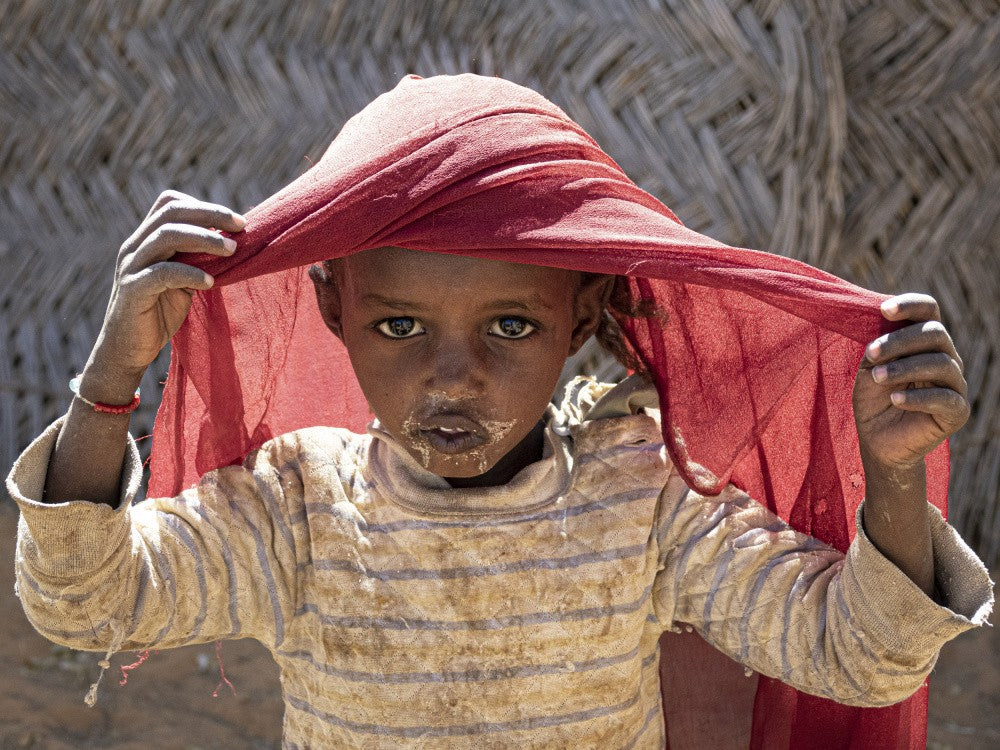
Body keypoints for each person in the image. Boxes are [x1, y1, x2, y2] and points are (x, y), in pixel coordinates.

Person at [7, 74, 993, 749]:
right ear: (334, 310)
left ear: (581, 320)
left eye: (511, 326)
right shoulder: (297, 508)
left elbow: (857, 657)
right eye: (398, 327)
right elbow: (83, 605)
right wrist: (109, 383)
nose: (453, 377)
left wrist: (893, 472)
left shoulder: (642, 496)